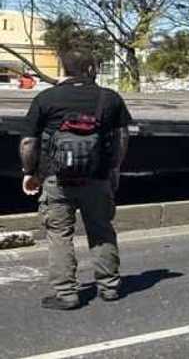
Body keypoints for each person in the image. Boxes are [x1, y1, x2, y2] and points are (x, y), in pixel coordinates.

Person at [18, 48, 131, 310]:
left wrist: (29, 173)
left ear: (63, 69)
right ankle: (109, 287)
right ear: (91, 69)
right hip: (97, 179)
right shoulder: (109, 98)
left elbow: (28, 142)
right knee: (101, 231)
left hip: (56, 180)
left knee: (59, 235)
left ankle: (67, 294)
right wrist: (113, 168)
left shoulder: (47, 98)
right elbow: (122, 139)